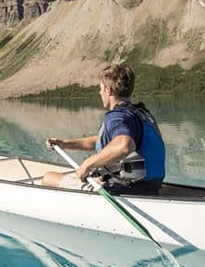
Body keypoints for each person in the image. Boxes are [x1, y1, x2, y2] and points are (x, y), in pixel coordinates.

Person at [41, 63, 166, 194]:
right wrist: (64, 144)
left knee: (48, 177)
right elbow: (101, 142)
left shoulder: (117, 116)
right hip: (151, 187)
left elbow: (124, 145)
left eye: (100, 89)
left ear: (108, 90)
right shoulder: (138, 113)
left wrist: (87, 164)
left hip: (125, 189)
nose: (100, 93)